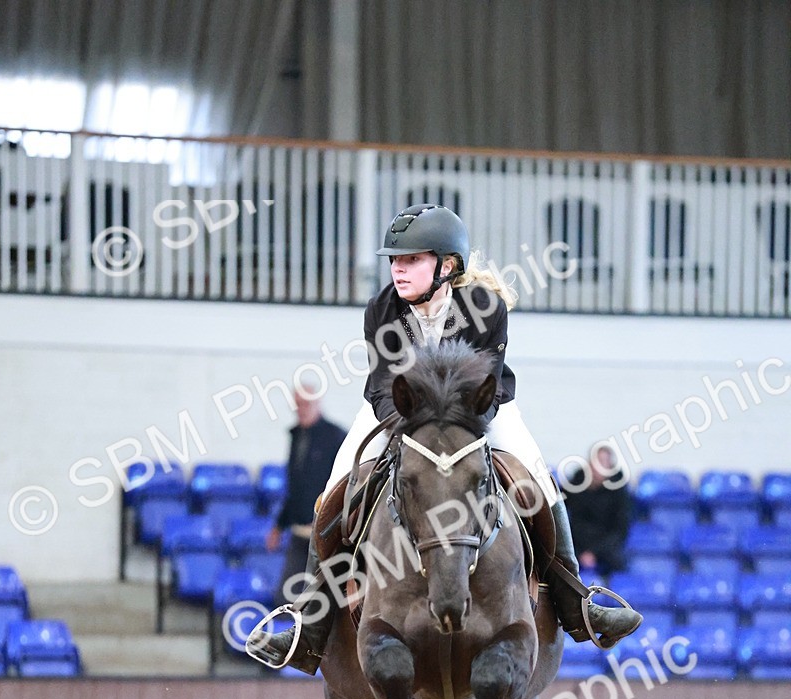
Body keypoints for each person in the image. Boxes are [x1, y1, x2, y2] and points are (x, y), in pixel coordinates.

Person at [252, 204, 642, 674]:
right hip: (398, 413)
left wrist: (453, 424)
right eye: (395, 260)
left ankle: (577, 601)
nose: (398, 269)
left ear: (447, 265)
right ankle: (309, 626)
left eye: (412, 259)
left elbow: (487, 384)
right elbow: (380, 385)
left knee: (538, 477)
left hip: (477, 411)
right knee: (336, 484)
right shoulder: (382, 309)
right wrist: (410, 424)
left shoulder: (485, 307)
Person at [266, 385, 346, 604]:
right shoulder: (296, 436)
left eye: (305, 403)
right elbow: (294, 487)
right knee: (285, 598)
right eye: (297, 404)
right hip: (298, 532)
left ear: (317, 403)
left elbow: (344, 485)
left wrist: (327, 519)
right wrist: (278, 525)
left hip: (324, 534)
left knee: (317, 601)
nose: (300, 409)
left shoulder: (336, 437)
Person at [564, 444, 633, 576]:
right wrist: (580, 552)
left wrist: (594, 553)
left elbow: (620, 530)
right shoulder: (577, 482)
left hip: (606, 546)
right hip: (577, 544)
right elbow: (561, 510)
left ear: (609, 466)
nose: (597, 467)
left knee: (618, 562)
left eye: (602, 462)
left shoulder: (618, 490)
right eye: (595, 462)